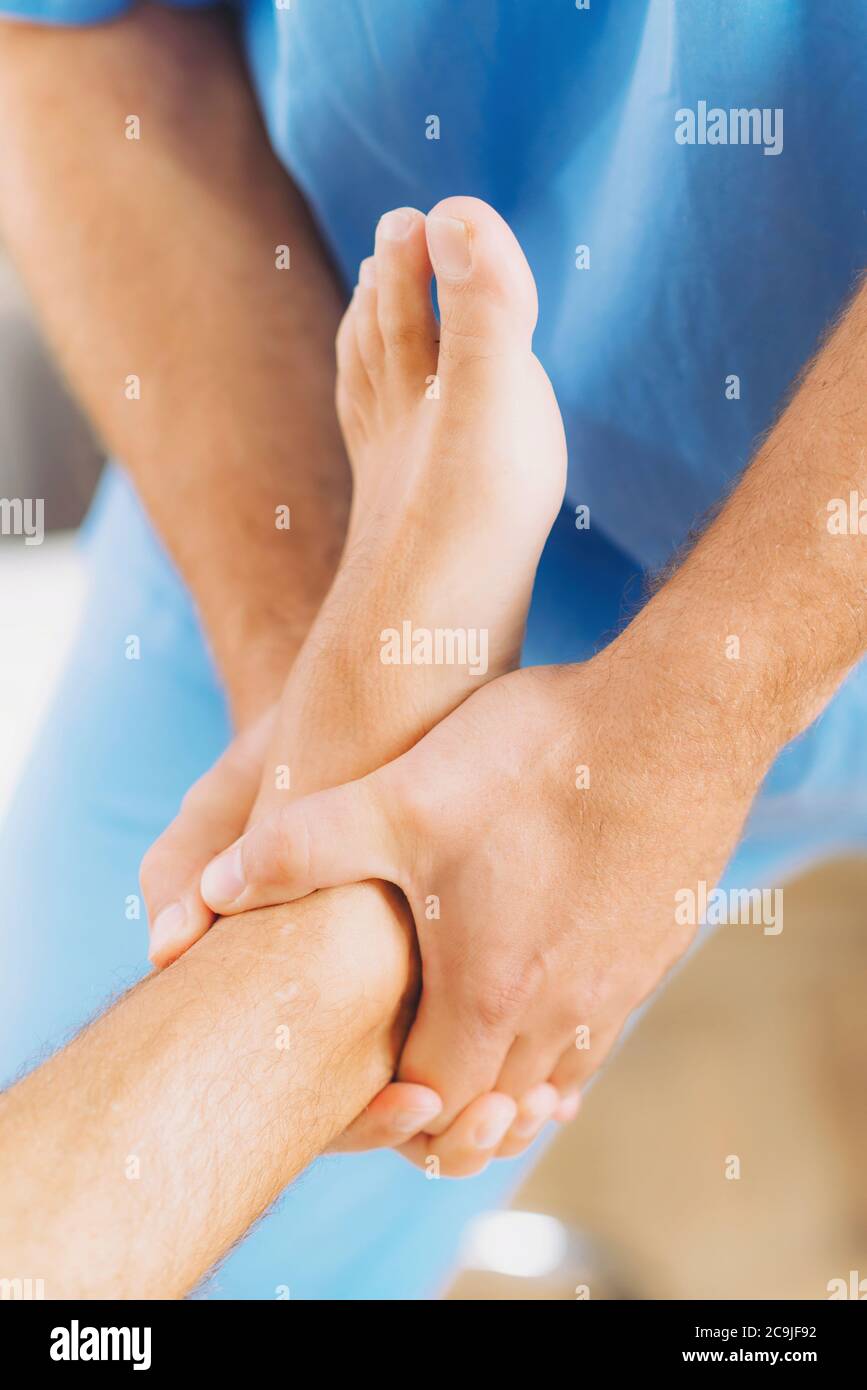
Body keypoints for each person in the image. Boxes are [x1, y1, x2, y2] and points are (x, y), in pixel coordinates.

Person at [0, 1, 865, 1299]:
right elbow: (68, 34)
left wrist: (698, 713)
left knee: (288, 913)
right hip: (315, 459)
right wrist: (324, 670)